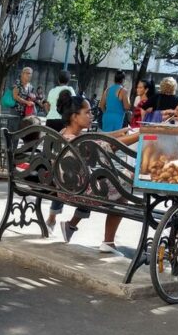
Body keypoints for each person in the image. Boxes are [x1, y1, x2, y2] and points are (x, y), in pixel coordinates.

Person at [45, 90, 139, 254]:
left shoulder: (65, 134)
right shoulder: (81, 142)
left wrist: (123, 131)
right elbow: (111, 144)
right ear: (75, 116)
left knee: (111, 182)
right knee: (126, 179)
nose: (91, 116)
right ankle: (108, 242)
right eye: (87, 112)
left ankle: (79, 228)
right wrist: (141, 134)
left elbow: (103, 137)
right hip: (83, 193)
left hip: (65, 191)